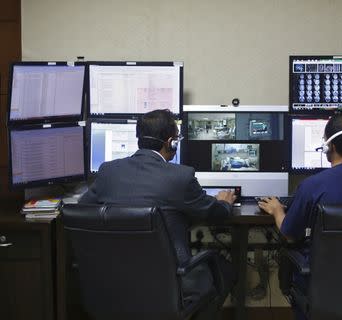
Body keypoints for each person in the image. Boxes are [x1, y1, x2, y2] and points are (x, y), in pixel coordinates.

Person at [80, 109, 236, 319]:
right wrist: (224, 203)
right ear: (171, 142)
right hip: (168, 282)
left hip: (114, 283)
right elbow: (215, 214)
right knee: (226, 270)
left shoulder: (108, 171)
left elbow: (82, 209)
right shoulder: (180, 177)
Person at [257, 114, 342, 320]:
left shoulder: (313, 186)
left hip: (323, 286)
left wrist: (277, 210)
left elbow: (289, 235)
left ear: (328, 147)